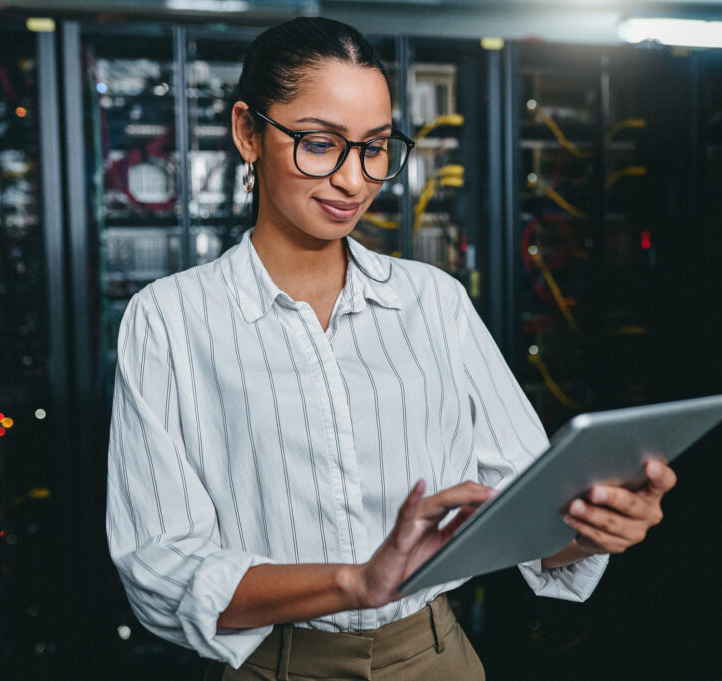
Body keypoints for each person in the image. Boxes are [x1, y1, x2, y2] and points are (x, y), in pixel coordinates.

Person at [106, 16, 676, 681]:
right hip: (278, 667)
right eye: (320, 143)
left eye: (376, 147)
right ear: (247, 132)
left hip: (435, 658)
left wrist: (592, 526)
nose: (354, 180)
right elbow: (159, 566)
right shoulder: (169, 321)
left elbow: (519, 516)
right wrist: (355, 581)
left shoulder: (433, 302)